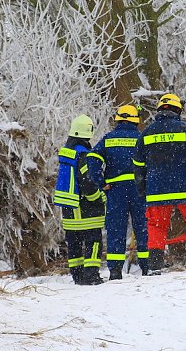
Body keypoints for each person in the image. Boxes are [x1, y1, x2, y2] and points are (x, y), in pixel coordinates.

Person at [132, 93, 186, 275]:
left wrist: (142, 188)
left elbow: (138, 166)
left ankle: (154, 267)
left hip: (157, 191)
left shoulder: (146, 133)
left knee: (156, 227)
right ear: (178, 110)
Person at [87, 105, 148, 280]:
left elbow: (93, 159)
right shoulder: (141, 138)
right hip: (139, 189)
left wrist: (101, 182)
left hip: (115, 190)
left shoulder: (108, 139)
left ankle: (115, 272)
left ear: (118, 120)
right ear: (136, 120)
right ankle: (147, 267)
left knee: (116, 229)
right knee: (143, 227)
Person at [53, 114, 106, 285]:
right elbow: (87, 182)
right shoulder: (84, 156)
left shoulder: (67, 154)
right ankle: (91, 276)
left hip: (69, 208)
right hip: (86, 208)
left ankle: (78, 276)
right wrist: (98, 198)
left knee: (74, 242)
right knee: (93, 241)